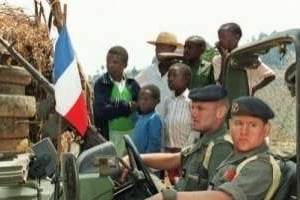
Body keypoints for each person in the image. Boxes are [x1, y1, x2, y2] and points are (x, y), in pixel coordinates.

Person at [148, 96, 281, 200]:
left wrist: (169, 197)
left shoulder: (260, 165)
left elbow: (226, 197)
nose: (243, 131)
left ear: (266, 130)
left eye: (252, 125)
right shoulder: (236, 157)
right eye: (238, 123)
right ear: (230, 125)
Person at [121, 85, 233, 192]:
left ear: (220, 112)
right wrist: (135, 158)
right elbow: (174, 159)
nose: (193, 113)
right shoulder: (206, 140)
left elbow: (216, 195)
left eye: (200, 108)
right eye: (192, 107)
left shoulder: (221, 147)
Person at [93, 45, 140, 156]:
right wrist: (127, 107)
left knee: (130, 170)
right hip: (106, 140)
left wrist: (114, 106)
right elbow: (101, 112)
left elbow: (140, 107)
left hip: (130, 139)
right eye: (108, 61)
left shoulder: (132, 84)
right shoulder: (101, 84)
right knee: (107, 170)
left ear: (125, 65)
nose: (110, 65)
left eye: (115, 62)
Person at [212, 22, 275, 96]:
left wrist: (254, 89)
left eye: (224, 37)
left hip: (244, 102)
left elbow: (271, 75)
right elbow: (221, 83)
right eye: (219, 37)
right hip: (225, 103)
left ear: (237, 37)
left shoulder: (248, 57)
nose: (220, 41)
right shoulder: (217, 60)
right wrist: (224, 58)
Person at [161, 62, 195, 184]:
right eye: (169, 76)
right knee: (173, 184)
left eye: (174, 75)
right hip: (169, 152)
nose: (170, 78)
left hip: (186, 153)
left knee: (184, 185)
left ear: (186, 79)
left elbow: (196, 128)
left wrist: (187, 150)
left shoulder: (191, 101)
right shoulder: (168, 101)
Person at [135, 32, 183, 115]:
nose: (158, 50)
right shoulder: (148, 71)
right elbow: (135, 89)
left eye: (163, 47)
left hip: (173, 123)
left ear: (173, 49)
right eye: (157, 47)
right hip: (151, 123)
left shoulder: (181, 72)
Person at [132, 84, 162, 154]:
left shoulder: (154, 118)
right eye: (140, 99)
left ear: (157, 101)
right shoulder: (141, 117)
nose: (142, 102)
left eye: (146, 99)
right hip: (138, 158)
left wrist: (145, 160)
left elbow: (154, 143)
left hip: (146, 161)